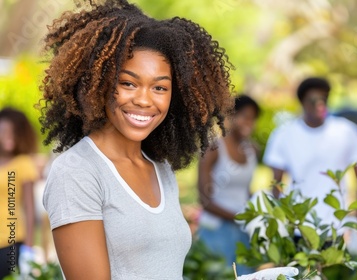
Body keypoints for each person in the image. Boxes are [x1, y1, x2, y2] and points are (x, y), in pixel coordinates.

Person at [40, 0, 234, 279]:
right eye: (128, 83)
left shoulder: (160, 168)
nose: (144, 100)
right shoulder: (77, 173)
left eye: (159, 87)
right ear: (99, 84)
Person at [263, 77, 357, 230]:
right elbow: (276, 185)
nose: (319, 105)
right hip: (297, 227)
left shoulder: (346, 131)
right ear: (303, 102)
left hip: (335, 229)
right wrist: (278, 225)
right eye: (313, 100)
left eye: (324, 99)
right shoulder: (283, 134)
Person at [197, 94, 260, 274]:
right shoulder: (214, 149)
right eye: (245, 116)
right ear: (231, 117)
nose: (249, 122)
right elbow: (205, 200)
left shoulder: (251, 151)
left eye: (253, 118)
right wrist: (238, 217)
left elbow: (245, 191)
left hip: (243, 231)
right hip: (216, 231)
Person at [0, 108, 38, 278]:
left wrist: (29, 249)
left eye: (13, 132)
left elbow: (30, 209)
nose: (8, 137)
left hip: (11, 242)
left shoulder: (23, 164)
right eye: (4, 131)